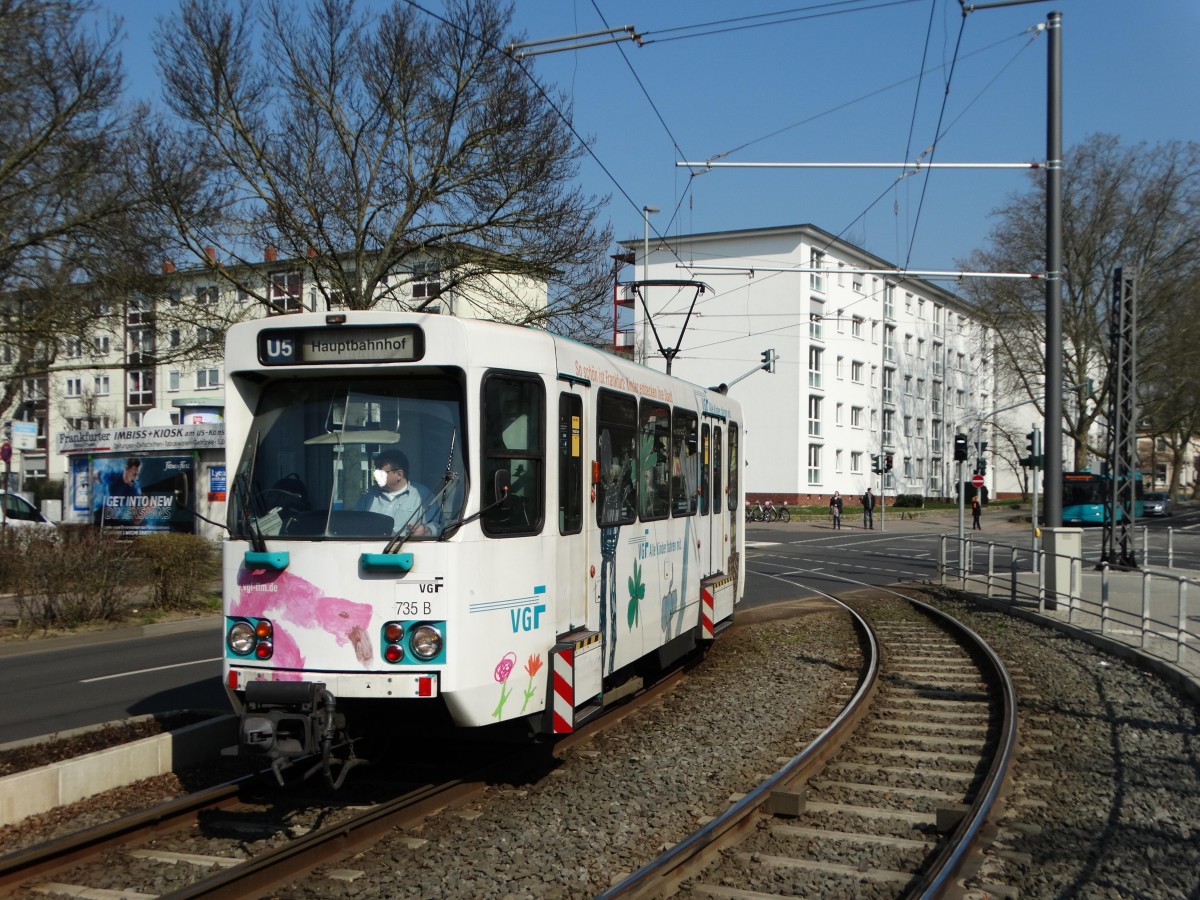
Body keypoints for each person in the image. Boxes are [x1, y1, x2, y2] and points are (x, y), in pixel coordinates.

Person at [356, 448, 438, 536]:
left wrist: (426, 531)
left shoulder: (423, 495)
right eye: (375, 472)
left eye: (381, 473)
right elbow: (355, 522)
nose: (376, 476)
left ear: (399, 475)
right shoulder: (369, 494)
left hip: (406, 547)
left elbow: (438, 525)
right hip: (369, 547)